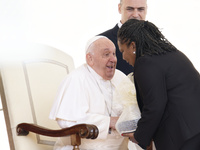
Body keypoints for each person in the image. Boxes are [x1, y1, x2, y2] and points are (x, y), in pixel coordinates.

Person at [117, 19, 200, 150]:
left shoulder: (145, 62)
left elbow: (155, 105)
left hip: (183, 135)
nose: (123, 57)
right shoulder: (174, 53)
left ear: (133, 46)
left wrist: (139, 136)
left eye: (122, 50)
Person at [49, 35, 140, 150]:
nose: (113, 59)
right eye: (106, 54)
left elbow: (134, 111)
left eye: (114, 54)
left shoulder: (120, 76)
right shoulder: (76, 78)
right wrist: (109, 122)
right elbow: (66, 121)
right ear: (90, 59)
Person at [99, 0, 147, 75]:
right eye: (130, 9)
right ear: (119, 8)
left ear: (146, 9)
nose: (135, 14)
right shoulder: (101, 41)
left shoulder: (157, 42)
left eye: (140, 9)